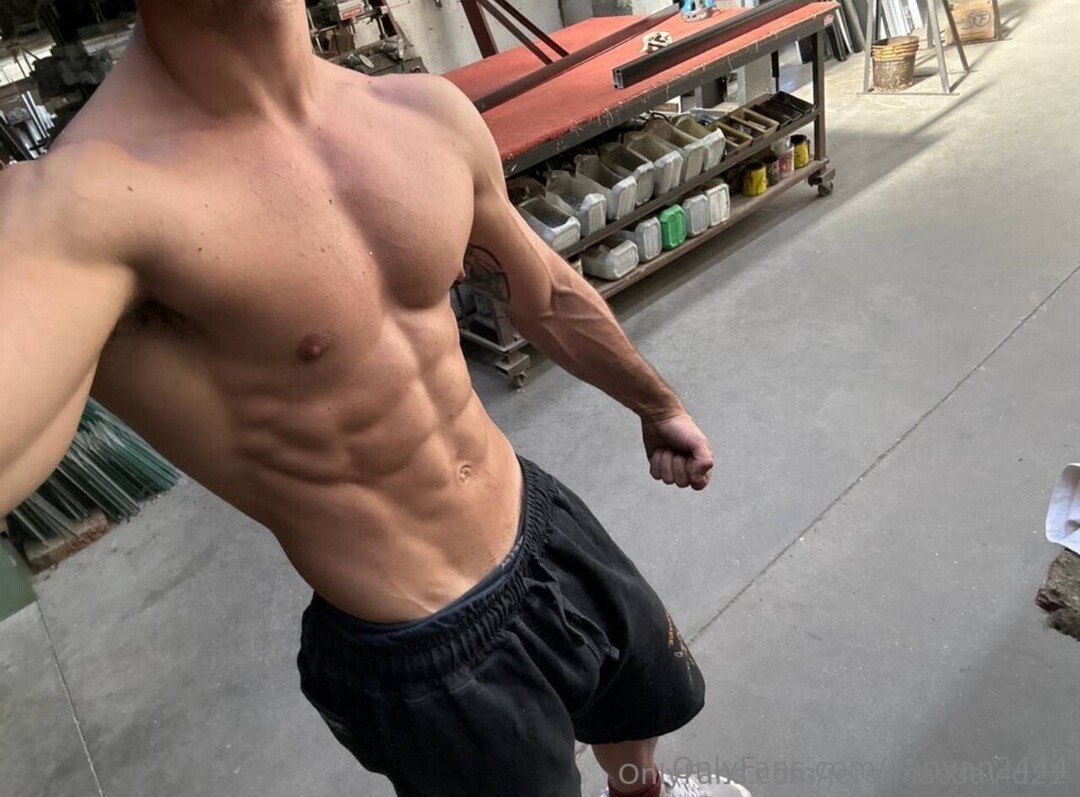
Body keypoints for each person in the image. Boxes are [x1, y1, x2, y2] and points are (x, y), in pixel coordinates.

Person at [0, 2, 748, 796]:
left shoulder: (421, 110)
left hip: (537, 518)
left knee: (636, 701)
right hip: (421, 640)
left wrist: (656, 404)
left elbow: (544, 292)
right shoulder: (75, 211)